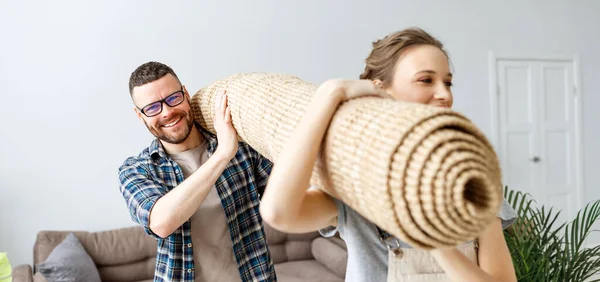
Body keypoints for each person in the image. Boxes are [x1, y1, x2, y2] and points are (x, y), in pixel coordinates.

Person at [259, 27, 518, 282]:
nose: (445, 95)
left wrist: (429, 238)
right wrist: (328, 96)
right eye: (426, 80)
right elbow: (278, 213)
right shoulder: (358, 183)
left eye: (448, 82)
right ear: (381, 91)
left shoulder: (472, 180)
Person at [118, 62, 276, 282]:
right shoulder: (136, 170)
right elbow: (162, 223)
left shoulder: (242, 148)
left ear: (186, 94)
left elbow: (285, 197)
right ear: (140, 115)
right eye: (152, 107)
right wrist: (223, 155)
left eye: (173, 98)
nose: (167, 112)